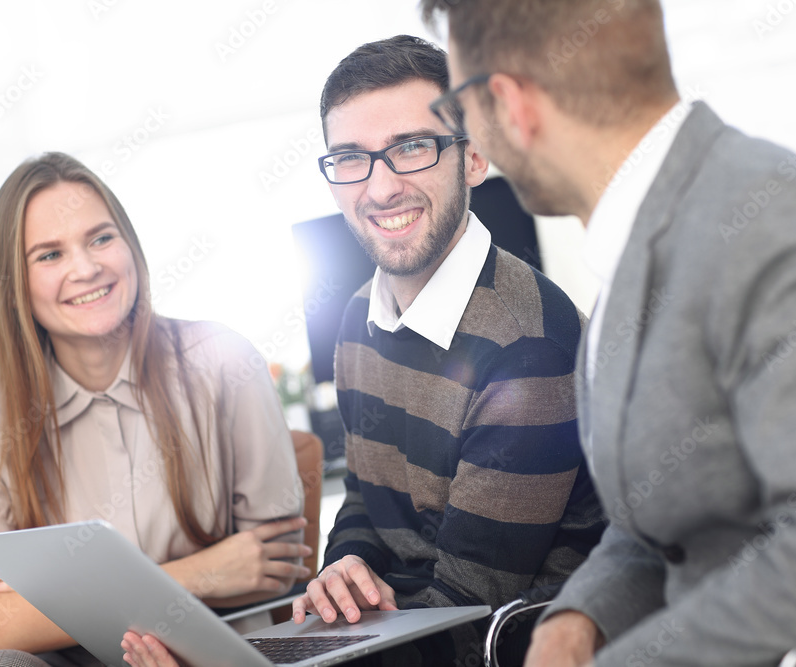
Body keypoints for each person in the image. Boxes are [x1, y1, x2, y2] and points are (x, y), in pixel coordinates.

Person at [123, 35, 604, 667]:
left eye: (411, 147)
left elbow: (467, 618)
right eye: (350, 158)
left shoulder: (529, 347)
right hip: (396, 638)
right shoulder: (357, 316)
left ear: (475, 155)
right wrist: (346, 568)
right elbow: (365, 496)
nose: (379, 189)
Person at [420, 0, 796, 664]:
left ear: (511, 104)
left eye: (461, 107)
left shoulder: (774, 227)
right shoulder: (634, 253)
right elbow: (664, 524)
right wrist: (580, 618)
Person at [0, 152, 311, 667]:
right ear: (15, 284)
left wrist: (60, 596)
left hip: (207, 650)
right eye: (49, 255)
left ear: (130, 245)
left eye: (100, 238)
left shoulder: (223, 359)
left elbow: (270, 569)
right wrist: (199, 574)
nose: (86, 268)